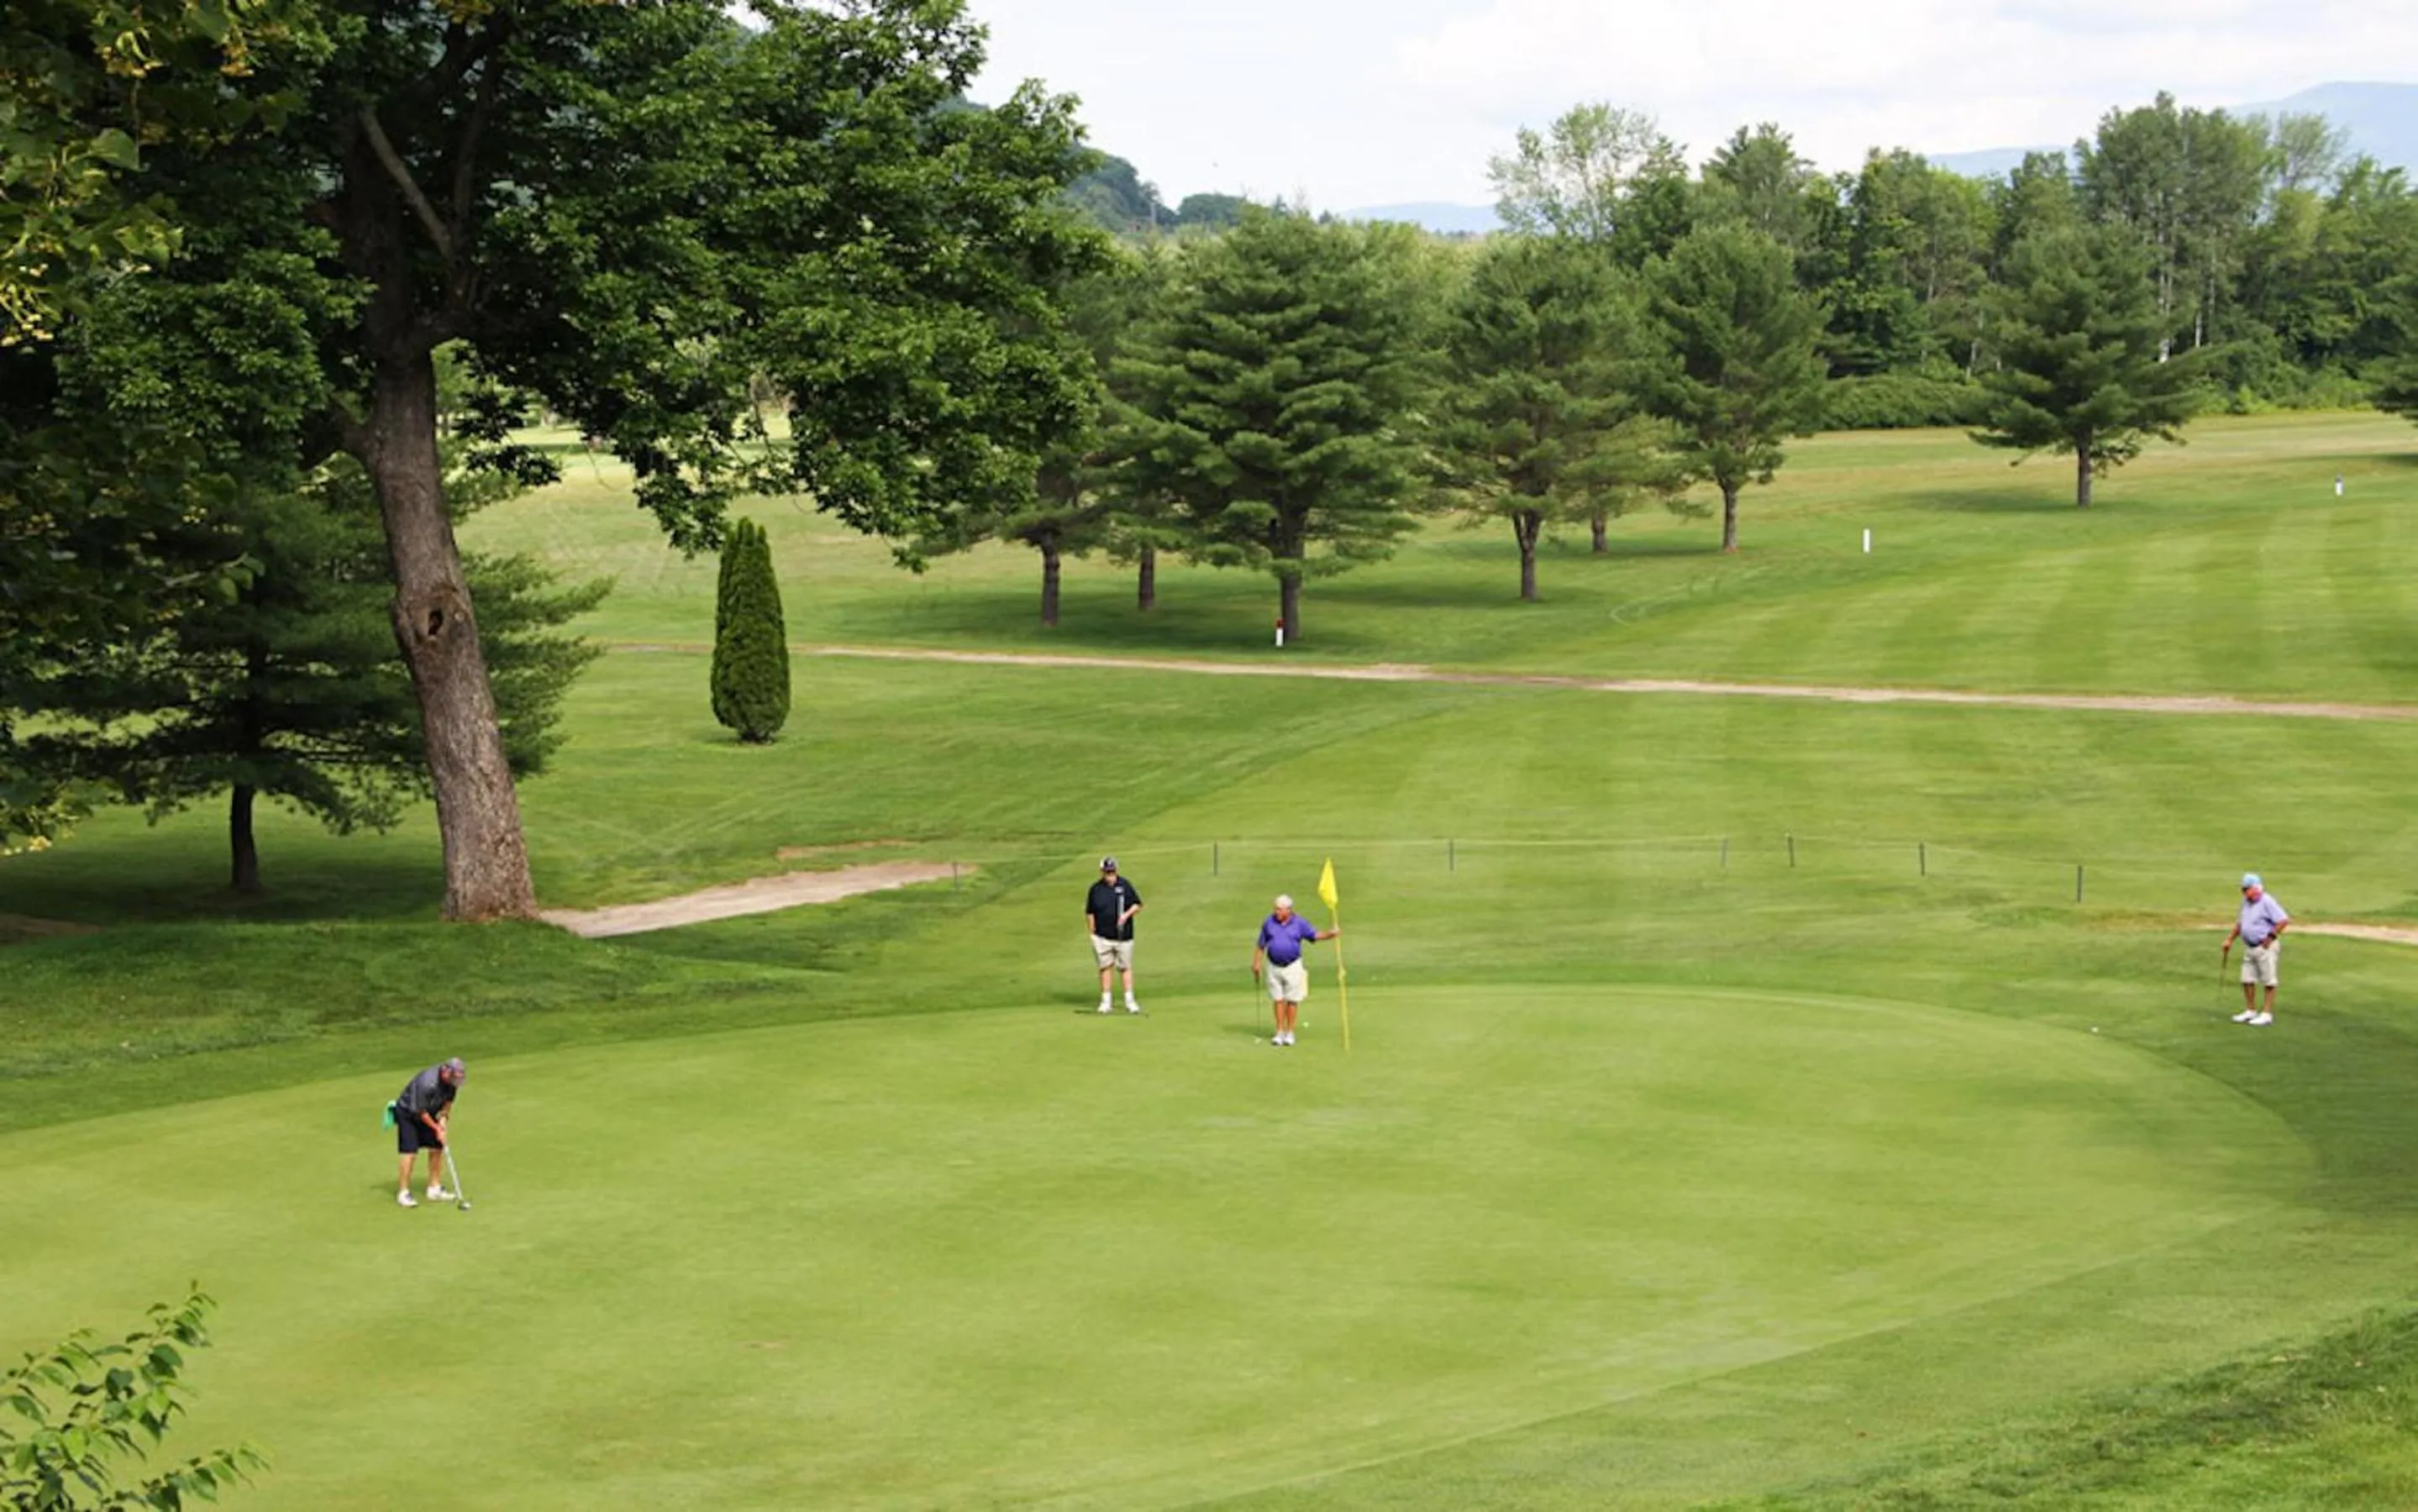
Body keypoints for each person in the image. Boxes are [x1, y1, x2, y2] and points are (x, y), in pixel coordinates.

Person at [1252, 893, 1338, 1047]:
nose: (1276, 912)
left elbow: (1314, 935)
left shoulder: (1299, 923)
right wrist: (1257, 963)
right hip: (1273, 965)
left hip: (1293, 966)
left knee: (1292, 1000)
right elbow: (1261, 944)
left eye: (1280, 909)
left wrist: (1330, 935)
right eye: (1276, 909)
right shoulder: (1269, 922)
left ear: (1288, 910)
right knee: (1277, 999)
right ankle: (1279, 1032)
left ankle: (1290, 1032)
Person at [390, 1057, 465, 1207]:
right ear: (445, 1071)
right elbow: (420, 1112)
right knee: (410, 1152)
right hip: (408, 1114)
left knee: (438, 1146)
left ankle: (434, 1188)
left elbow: (448, 1103)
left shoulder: (451, 1082)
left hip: (427, 1113)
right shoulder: (427, 1082)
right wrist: (436, 1128)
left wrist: (443, 1121)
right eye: (453, 1078)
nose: (455, 1082)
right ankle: (403, 1193)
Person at [2226, 873, 2290, 1026]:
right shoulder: (2246, 903)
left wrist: (2270, 937)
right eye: (2243, 889)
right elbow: (2241, 924)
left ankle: (2267, 1013)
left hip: (2265, 947)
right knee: (2247, 979)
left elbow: (2283, 920)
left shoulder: (2267, 901)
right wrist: (2229, 939)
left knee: (2268, 980)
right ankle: (2251, 1010)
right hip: (2249, 946)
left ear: (2256, 889)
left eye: (2246, 889)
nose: (2243, 892)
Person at [1085, 856, 1143, 1014]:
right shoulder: (1096, 889)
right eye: (1107, 872)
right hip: (1103, 937)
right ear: (1102, 872)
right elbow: (1090, 913)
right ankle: (1106, 1002)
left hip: (1123, 936)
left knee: (1125, 967)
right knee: (1105, 967)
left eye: (1112, 872)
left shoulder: (1125, 886)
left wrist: (1126, 915)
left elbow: (1137, 904)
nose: (1110, 875)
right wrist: (1092, 933)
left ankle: (1130, 1001)